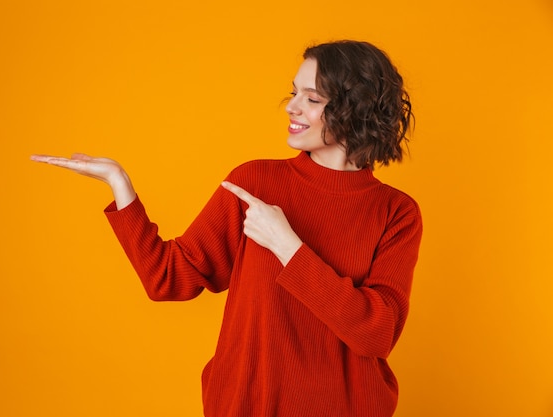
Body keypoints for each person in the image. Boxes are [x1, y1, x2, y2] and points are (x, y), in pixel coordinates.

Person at [31, 40, 423, 417]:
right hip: (245, 405)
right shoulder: (254, 182)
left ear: (356, 110)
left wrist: (286, 245)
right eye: (294, 93)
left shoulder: (395, 212)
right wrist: (120, 185)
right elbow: (167, 278)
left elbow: (377, 333)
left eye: (313, 99)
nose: (293, 107)